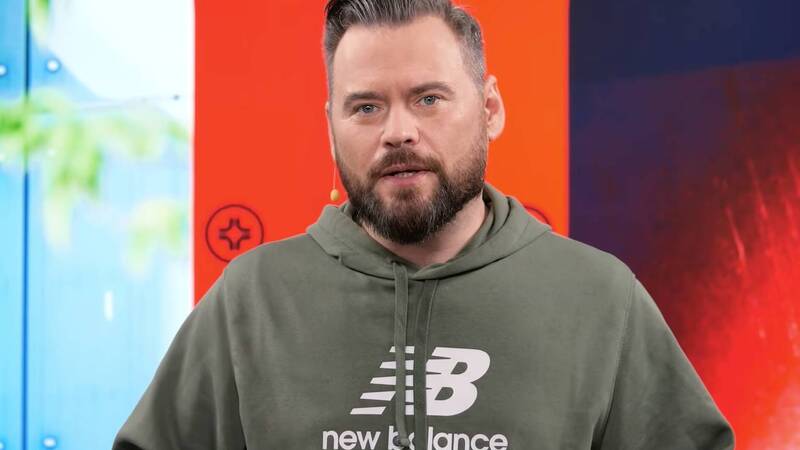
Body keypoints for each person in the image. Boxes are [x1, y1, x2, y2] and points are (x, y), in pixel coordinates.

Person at [113, 1, 735, 449]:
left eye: (428, 99)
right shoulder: (251, 299)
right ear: (330, 127)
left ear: (489, 108)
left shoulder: (598, 297)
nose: (398, 131)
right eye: (366, 107)